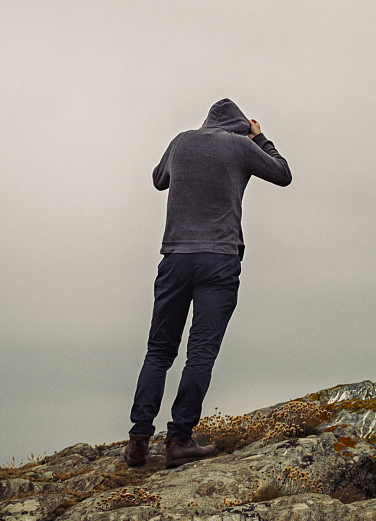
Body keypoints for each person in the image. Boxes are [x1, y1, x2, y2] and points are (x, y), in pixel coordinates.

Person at [125, 97, 292, 467]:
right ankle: (178, 441)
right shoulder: (240, 146)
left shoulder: (182, 141)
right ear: (239, 126)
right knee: (200, 352)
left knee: (159, 350)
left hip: (175, 258)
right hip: (218, 260)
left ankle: (138, 440)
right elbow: (283, 173)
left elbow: (158, 180)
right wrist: (258, 138)